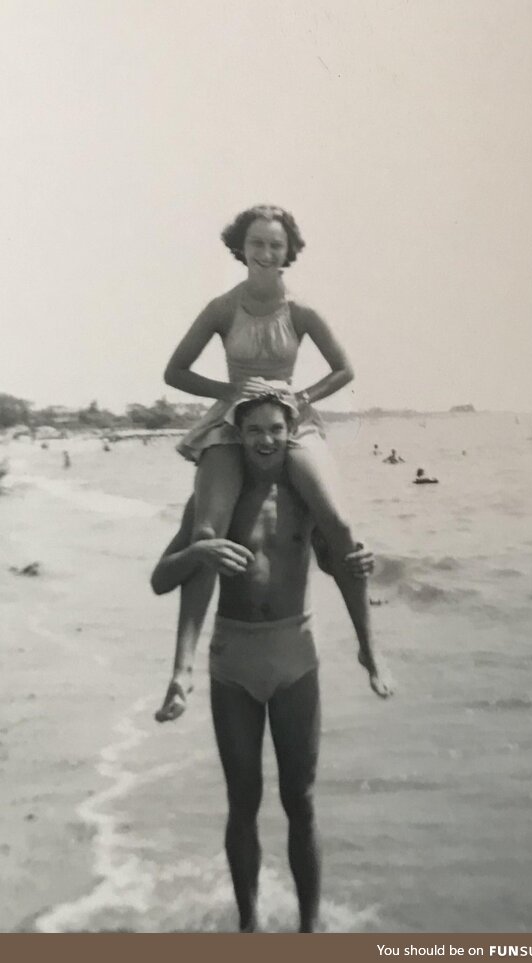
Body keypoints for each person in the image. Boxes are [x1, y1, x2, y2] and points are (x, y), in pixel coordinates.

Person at [151, 395, 392, 933]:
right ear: (238, 435)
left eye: (275, 430)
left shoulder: (304, 495)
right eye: (254, 430)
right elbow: (161, 579)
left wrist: (360, 562)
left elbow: (339, 563)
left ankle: (309, 930)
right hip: (233, 658)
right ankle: (249, 927)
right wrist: (198, 554)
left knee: (300, 801)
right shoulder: (214, 500)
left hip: (295, 656)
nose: (265, 440)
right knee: (243, 801)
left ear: (291, 433)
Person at [156, 204, 370, 721]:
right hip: (234, 419)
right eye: (257, 243)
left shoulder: (301, 310)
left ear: (288, 251)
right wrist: (229, 388)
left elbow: (344, 369)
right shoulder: (222, 307)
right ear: (241, 247)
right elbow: (174, 371)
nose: (266, 253)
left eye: (276, 245)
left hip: (287, 418)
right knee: (207, 532)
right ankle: (181, 670)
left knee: (339, 522)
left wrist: (303, 398)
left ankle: (368, 645)